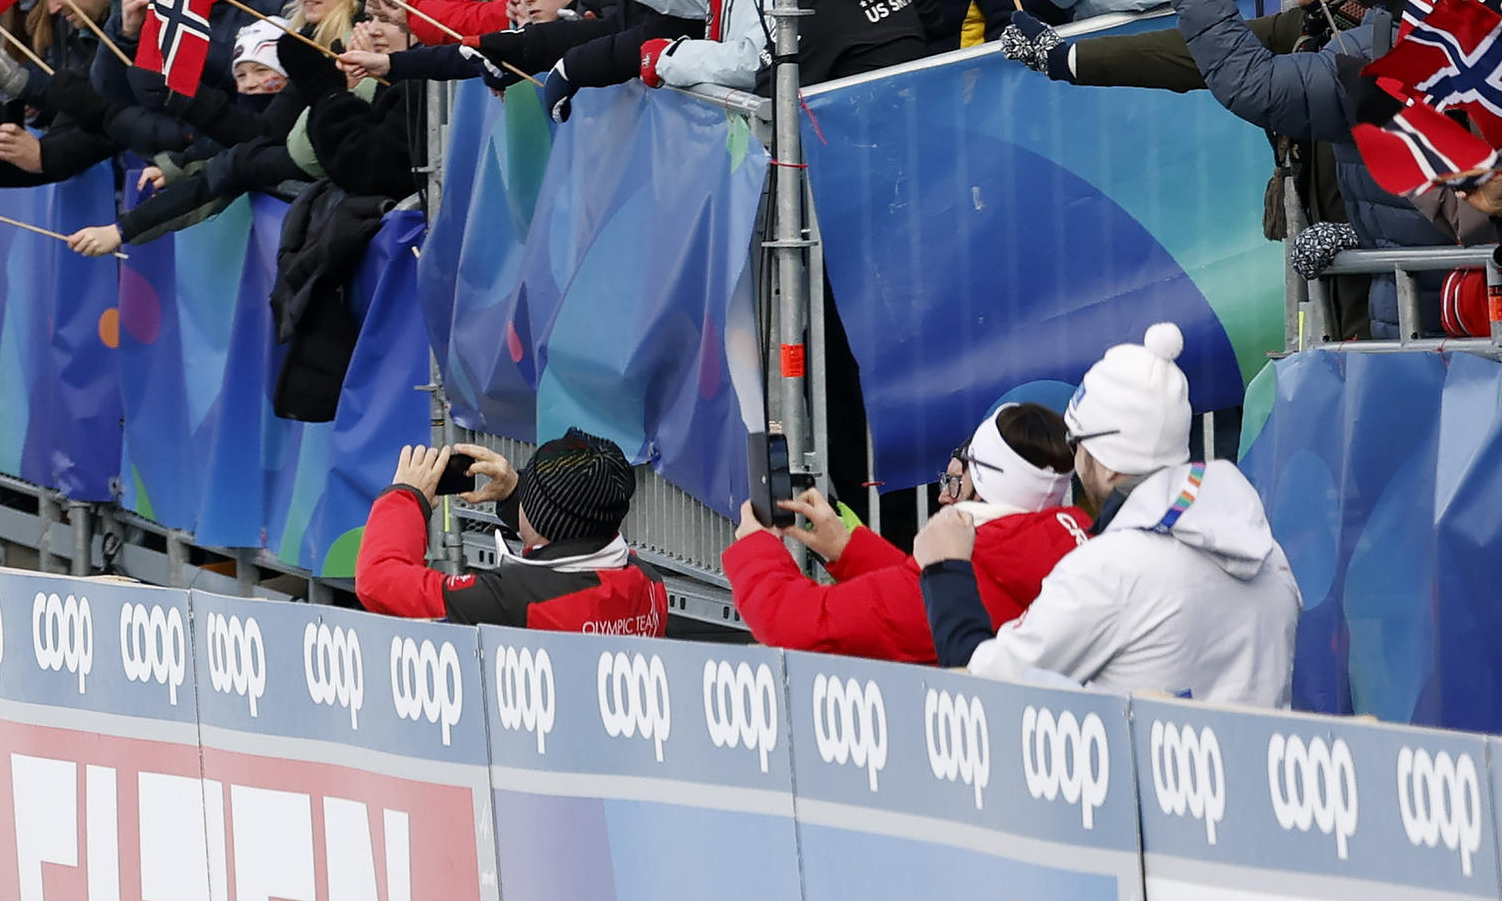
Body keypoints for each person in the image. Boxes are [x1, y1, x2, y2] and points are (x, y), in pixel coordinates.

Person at [913, 318, 1295, 702]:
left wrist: (945, 570)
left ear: (1110, 463)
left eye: (1076, 443)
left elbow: (986, 682)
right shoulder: (1268, 552)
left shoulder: (1109, 570)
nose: (1074, 459)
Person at [723, 402, 1093, 663]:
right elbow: (930, 595)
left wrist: (757, 548)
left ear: (980, 486)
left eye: (956, 478)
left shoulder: (969, 574)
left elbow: (796, 623)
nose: (942, 494)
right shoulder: (1078, 550)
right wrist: (848, 550)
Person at [357, 431, 665, 630]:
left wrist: (406, 497)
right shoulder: (648, 581)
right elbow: (569, 534)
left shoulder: (514, 598)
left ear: (538, 515)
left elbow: (378, 581)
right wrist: (516, 493)